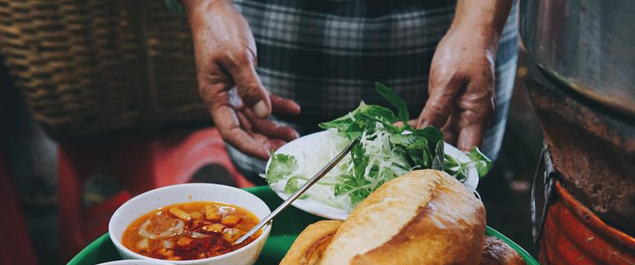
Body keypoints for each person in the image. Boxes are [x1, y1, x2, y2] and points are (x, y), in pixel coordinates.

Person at [176, 0, 518, 184]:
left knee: (449, 187)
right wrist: (205, 7)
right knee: (274, 177)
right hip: (272, 29)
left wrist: (480, 27)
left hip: (459, 27)